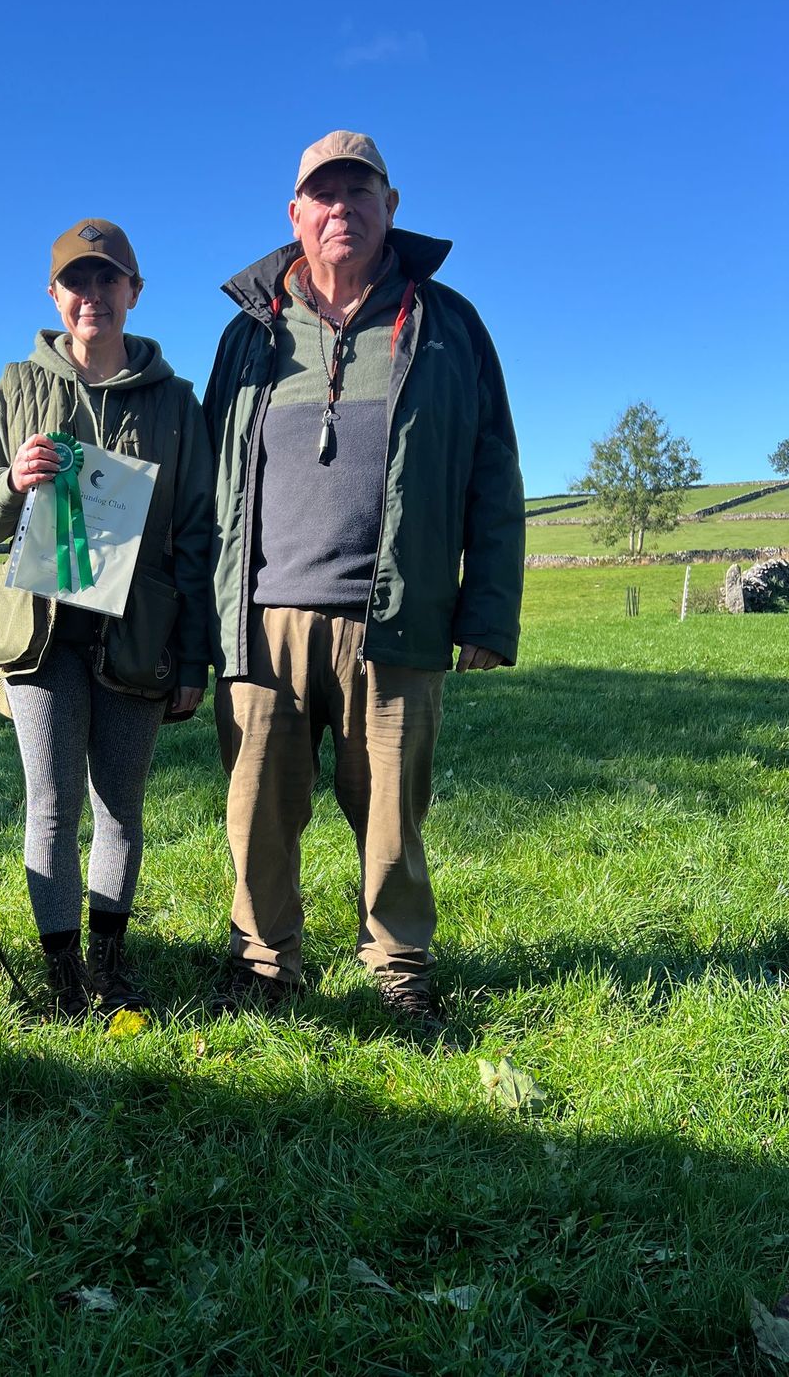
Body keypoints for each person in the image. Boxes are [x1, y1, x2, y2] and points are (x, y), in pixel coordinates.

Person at [203, 131, 524, 1025]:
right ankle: (266, 962)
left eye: (360, 193)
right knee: (258, 810)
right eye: (324, 195)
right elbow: (209, 483)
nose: (341, 209)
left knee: (392, 811)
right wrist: (200, 618)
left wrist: (487, 611)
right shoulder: (248, 335)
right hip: (262, 620)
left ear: (392, 206)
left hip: (400, 616)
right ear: (295, 215)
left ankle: (398, 968)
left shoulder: (446, 324)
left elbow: (494, 471)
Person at [0, 218, 213, 1021]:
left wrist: (195, 655)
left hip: (138, 636)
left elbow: (199, 534)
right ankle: (63, 975)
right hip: (38, 639)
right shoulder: (15, 384)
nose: (93, 294)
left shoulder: (177, 403)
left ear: (134, 293)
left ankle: (109, 965)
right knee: (51, 803)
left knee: (121, 809)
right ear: (54, 294)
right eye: (78, 279)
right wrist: (11, 480)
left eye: (109, 279)